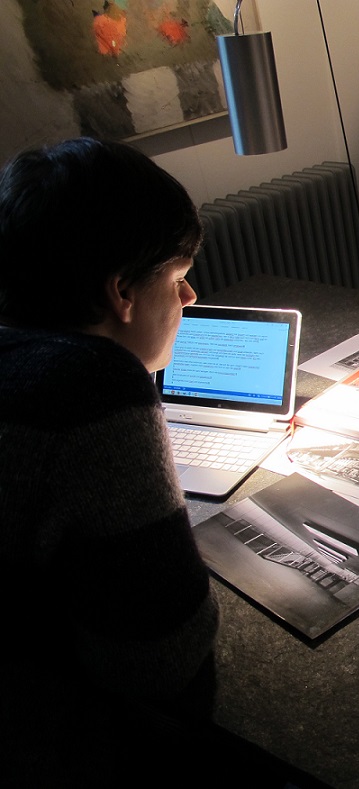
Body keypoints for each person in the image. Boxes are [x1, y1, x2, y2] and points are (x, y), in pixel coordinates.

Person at [0, 138, 219, 784]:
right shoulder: (95, 387)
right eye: (177, 280)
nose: (190, 299)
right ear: (121, 291)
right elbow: (169, 663)